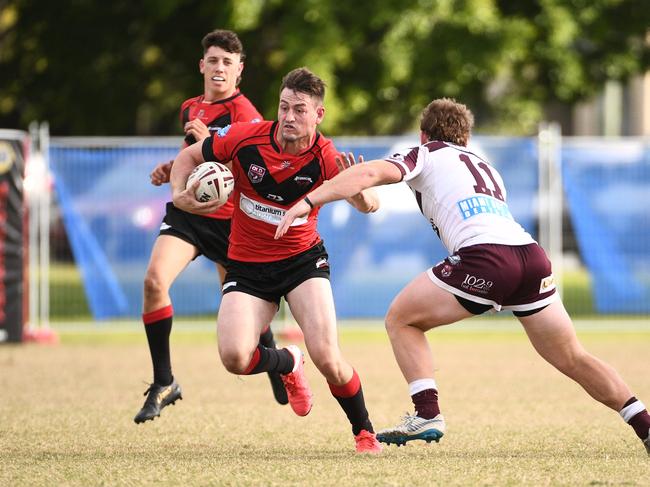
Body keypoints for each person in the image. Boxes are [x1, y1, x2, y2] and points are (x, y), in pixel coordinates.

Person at [275, 97, 650, 455]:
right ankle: (644, 423)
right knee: (573, 356)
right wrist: (354, 190)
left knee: (401, 320)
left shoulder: (425, 152)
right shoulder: (486, 167)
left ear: (424, 135)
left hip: (487, 257)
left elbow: (373, 172)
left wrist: (308, 201)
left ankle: (426, 413)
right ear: (465, 138)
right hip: (532, 257)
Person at [169, 67, 383, 454]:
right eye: (284, 107)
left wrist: (356, 192)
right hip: (248, 265)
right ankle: (286, 363)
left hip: (302, 263)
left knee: (329, 359)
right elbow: (188, 156)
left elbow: (370, 204)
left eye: (299, 110)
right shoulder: (245, 138)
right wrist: (180, 194)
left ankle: (364, 432)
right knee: (234, 357)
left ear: (318, 115)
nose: (288, 117)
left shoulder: (326, 156)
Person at [135, 29, 288, 425]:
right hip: (189, 214)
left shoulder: (247, 116)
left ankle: (277, 364)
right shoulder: (190, 108)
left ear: (240, 70)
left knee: (246, 317)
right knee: (154, 283)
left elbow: (255, 172)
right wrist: (174, 166)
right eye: (213, 61)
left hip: (229, 224)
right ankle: (164, 381)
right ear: (202, 65)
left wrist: (208, 144)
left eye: (228, 62)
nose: (219, 68)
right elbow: (198, 159)